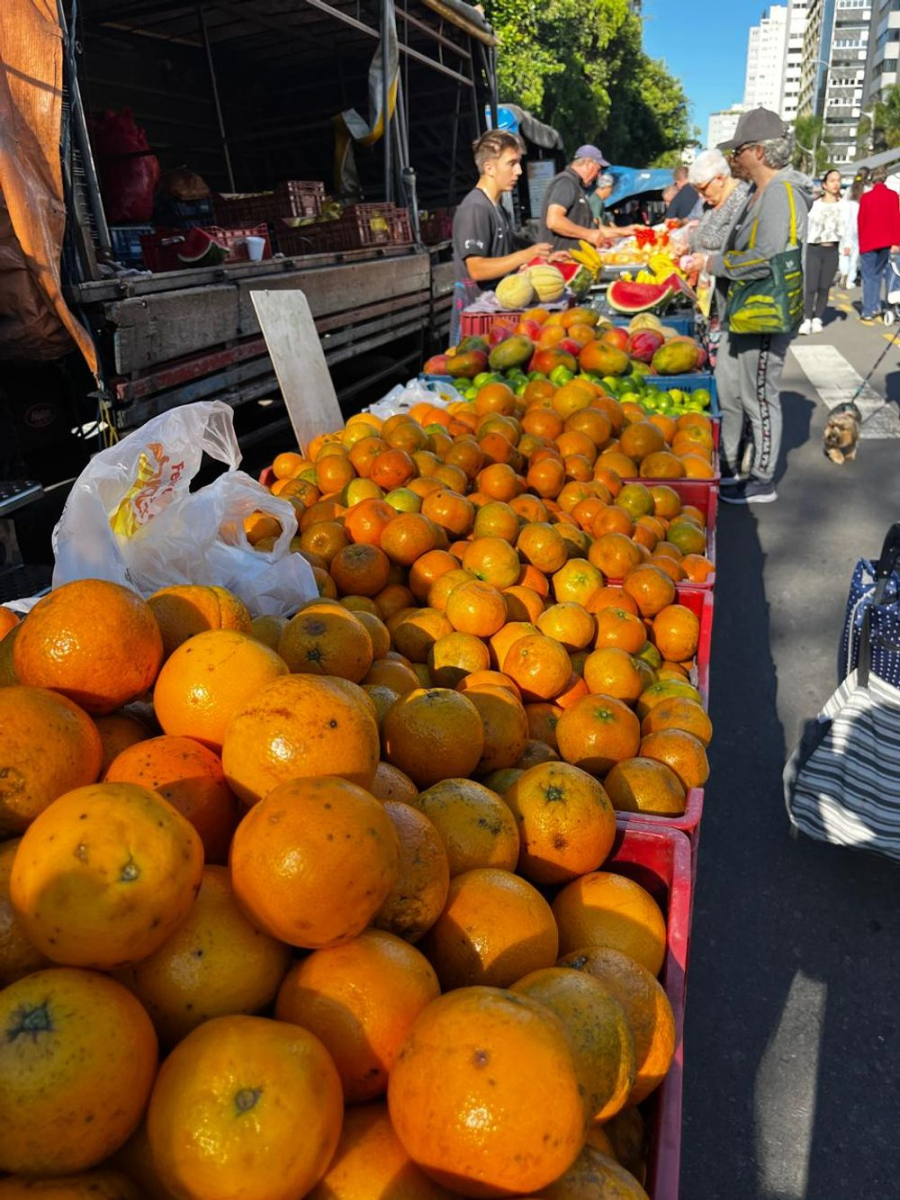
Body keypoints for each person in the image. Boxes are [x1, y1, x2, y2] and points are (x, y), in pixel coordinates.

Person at [684, 107, 812, 505]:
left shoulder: (782, 192)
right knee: (738, 390)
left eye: (737, 152)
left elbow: (771, 256)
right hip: (745, 310)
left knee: (759, 392)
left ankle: (763, 478)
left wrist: (713, 263)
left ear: (758, 151)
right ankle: (738, 467)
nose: (734, 159)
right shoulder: (762, 192)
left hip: (765, 313)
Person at [452, 129, 551, 290]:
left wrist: (545, 255)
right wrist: (525, 255)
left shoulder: (498, 208)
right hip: (478, 309)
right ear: (489, 168)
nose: (519, 171)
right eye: (512, 163)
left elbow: (506, 257)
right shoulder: (476, 208)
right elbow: (477, 269)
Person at [686, 150, 750, 321]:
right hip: (709, 294)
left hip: (730, 295)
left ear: (720, 179)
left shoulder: (742, 200)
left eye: (703, 189)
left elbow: (740, 249)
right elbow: (704, 236)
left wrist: (706, 260)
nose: (701, 196)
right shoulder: (712, 203)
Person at [538, 146, 622, 251]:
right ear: (587, 163)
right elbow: (554, 221)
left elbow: (590, 228)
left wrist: (626, 231)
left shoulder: (577, 186)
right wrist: (588, 234)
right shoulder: (566, 182)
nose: (598, 175)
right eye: (598, 169)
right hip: (559, 262)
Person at [800, 167, 843, 335]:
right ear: (824, 185)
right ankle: (806, 318)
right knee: (810, 286)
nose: (836, 184)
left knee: (824, 286)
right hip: (814, 249)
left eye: (838, 180)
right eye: (832, 180)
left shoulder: (844, 206)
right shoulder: (814, 204)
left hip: (832, 249)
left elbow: (849, 229)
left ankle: (818, 318)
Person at [857, 164, 900, 324]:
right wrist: (896, 241)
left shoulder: (866, 198)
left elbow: (861, 222)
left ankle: (869, 309)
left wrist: (860, 243)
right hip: (887, 242)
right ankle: (883, 306)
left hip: (869, 241)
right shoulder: (893, 196)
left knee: (869, 277)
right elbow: (896, 219)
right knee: (884, 275)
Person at [839, 173, 865, 289]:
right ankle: (850, 279)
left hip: (845, 225)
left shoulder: (848, 191)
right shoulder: (866, 191)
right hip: (858, 226)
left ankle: (843, 272)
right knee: (855, 255)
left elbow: (842, 207)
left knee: (844, 252)